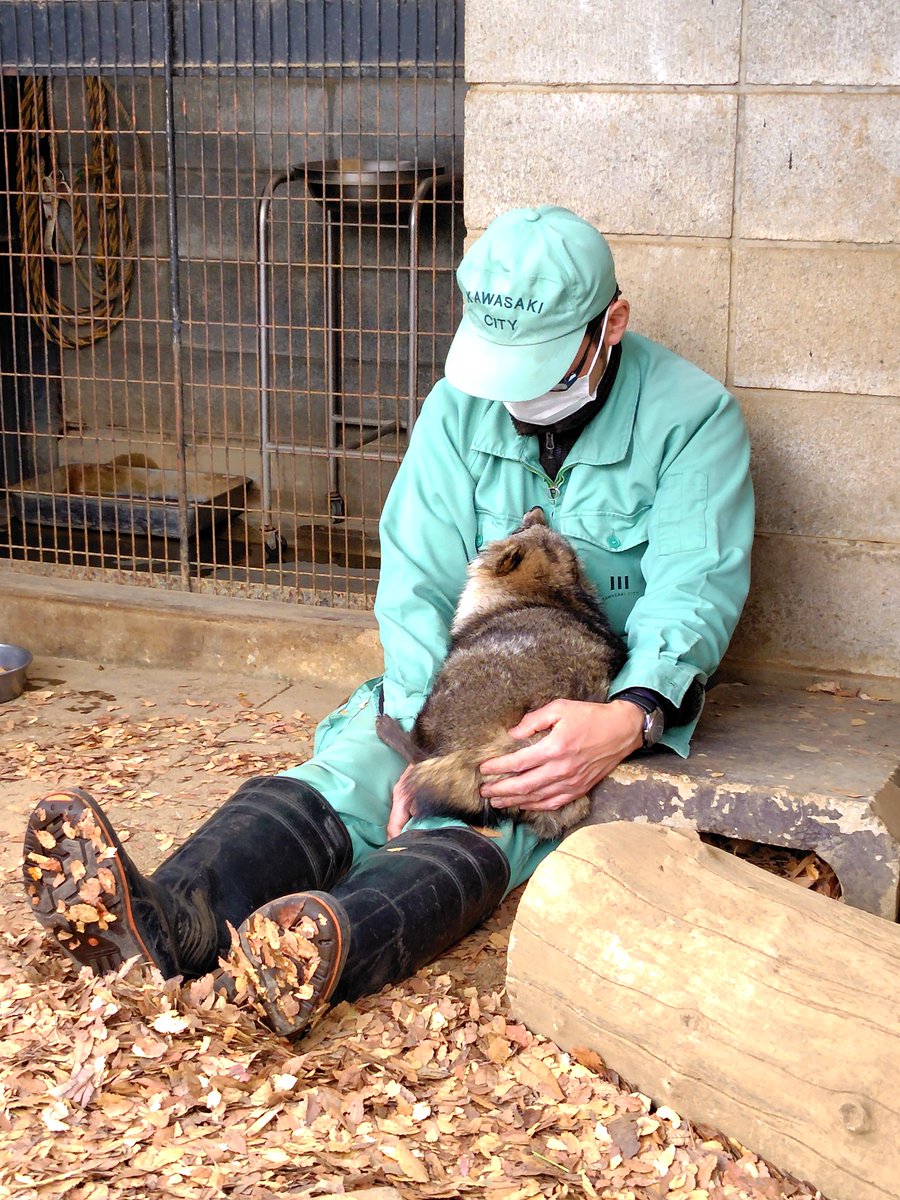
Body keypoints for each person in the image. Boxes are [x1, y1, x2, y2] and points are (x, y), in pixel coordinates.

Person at [23, 206, 754, 1036]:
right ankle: (171, 922)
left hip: (583, 695)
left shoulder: (694, 418)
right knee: (351, 771)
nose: (514, 396)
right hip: (454, 682)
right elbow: (415, 582)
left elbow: (693, 591)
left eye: (539, 367)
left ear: (610, 325)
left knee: (502, 801)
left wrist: (627, 718)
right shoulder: (459, 406)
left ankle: (317, 953)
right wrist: (414, 734)